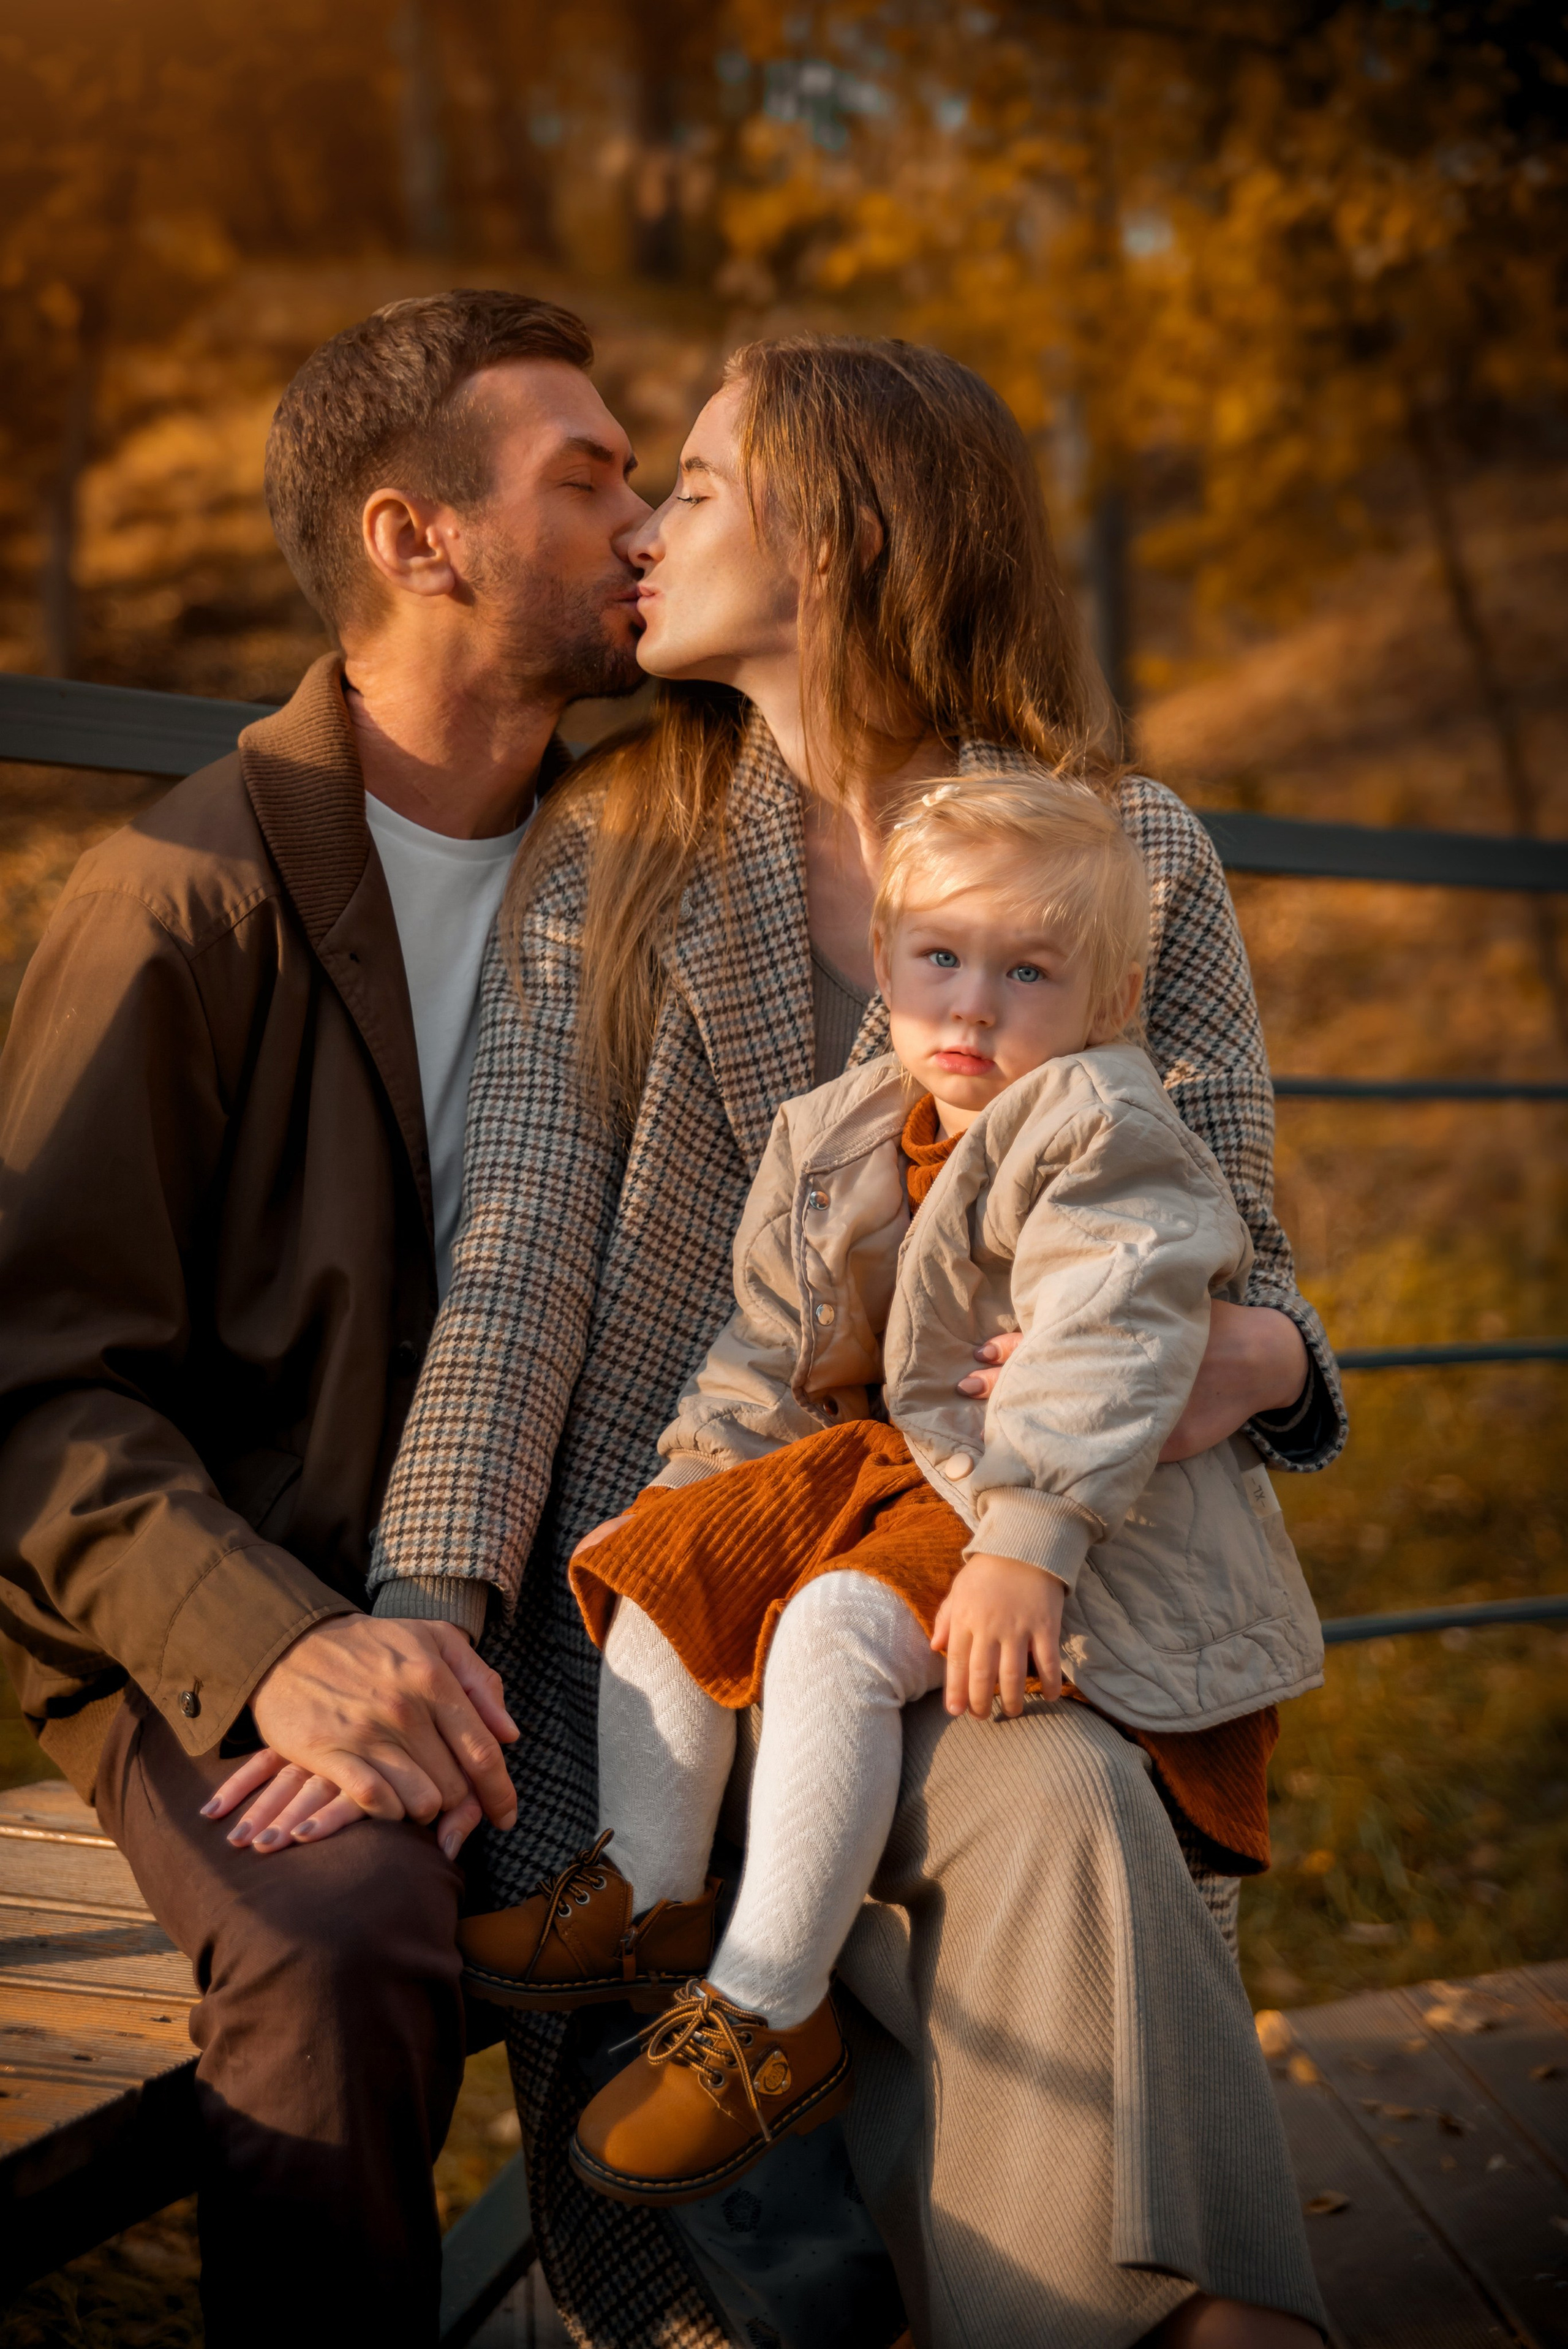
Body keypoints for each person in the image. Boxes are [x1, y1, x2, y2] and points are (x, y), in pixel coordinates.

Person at [363, 336, 1344, 2348]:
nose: (647, 526)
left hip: (1018, 1579)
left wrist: (1250, 1364)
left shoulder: (1132, 853)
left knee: (1055, 1783)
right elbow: (524, 1265)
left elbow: (1242, 1257)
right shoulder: (616, 852)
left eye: (701, 486)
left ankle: (1187, 2316)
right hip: (705, 1579)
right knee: (931, 1824)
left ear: (847, 536)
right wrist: (427, 1599)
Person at [0, 288, 649, 2346]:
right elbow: (34, 1394)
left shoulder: (647, 845)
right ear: (417, 536)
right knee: (349, 1929)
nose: (646, 522)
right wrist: (281, 1646)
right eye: (592, 475)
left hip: (556, 1595)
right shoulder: (173, 897)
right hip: (219, 1612)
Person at [452, 772, 1325, 2225]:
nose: (970, 1010)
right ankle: (646, 1888)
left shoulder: (1102, 1130)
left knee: (836, 1632)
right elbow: (764, 1352)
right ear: (888, 958)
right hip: (890, 1472)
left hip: (1037, 1507)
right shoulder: (848, 1124)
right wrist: (687, 1486)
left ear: (1107, 999)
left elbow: (1105, 1341)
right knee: (673, 1557)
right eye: (939, 961)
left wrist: (1028, 1549)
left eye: (1024, 973)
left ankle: (764, 2006)